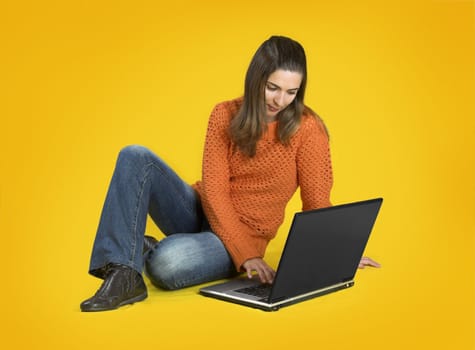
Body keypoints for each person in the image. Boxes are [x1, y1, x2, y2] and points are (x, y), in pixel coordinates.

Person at [80, 35, 380, 312]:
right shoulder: (223, 113)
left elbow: (317, 201)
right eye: (272, 87)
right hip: (199, 209)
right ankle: (122, 272)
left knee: (165, 265)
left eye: (291, 91)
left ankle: (144, 248)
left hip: (243, 234)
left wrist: (335, 253)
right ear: (255, 79)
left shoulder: (308, 128)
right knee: (135, 156)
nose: (279, 101)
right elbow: (213, 190)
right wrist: (245, 254)